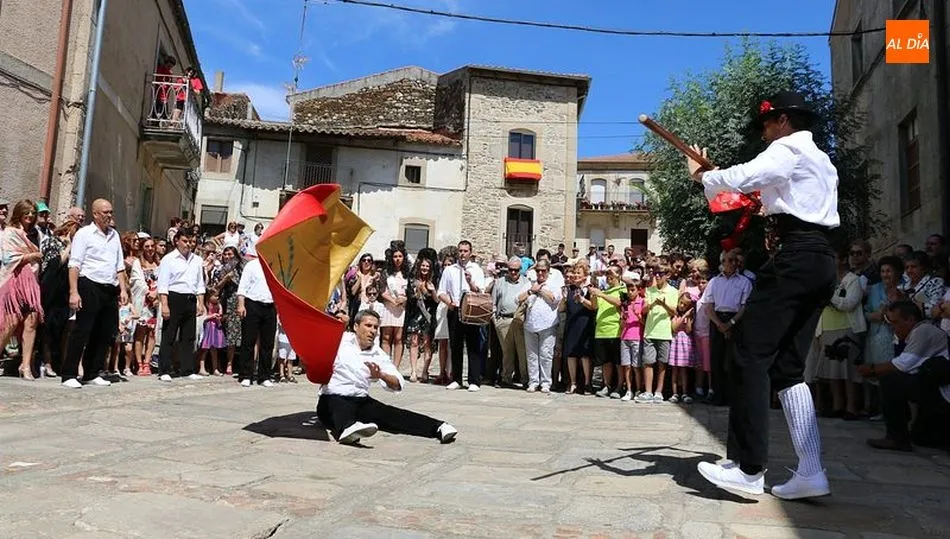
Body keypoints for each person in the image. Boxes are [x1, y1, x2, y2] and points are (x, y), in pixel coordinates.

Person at [687, 91, 839, 499]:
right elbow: (756, 188)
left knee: (748, 352)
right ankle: (810, 471)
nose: (765, 133)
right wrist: (716, 176)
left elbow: (745, 176)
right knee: (788, 369)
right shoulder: (821, 160)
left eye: (768, 125)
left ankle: (749, 467)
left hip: (796, 258)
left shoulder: (788, 148)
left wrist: (704, 176)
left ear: (784, 121)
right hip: (821, 259)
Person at [316, 309, 459, 445]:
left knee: (392, 415)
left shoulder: (378, 354)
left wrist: (381, 375)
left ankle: (439, 427)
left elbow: (397, 383)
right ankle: (348, 429)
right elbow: (317, 330)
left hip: (360, 400)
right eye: (368, 326)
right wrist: (339, 321)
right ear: (356, 326)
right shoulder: (341, 340)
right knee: (338, 406)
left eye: (375, 327)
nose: (372, 331)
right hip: (331, 397)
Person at [858, 300, 950, 450]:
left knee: (890, 380)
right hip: (938, 392)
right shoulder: (920, 332)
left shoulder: (923, 330)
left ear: (911, 320)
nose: (893, 328)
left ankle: (896, 438)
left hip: (944, 395)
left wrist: (872, 369)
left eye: (895, 322)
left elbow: (902, 365)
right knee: (921, 438)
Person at [62, 199, 129, 389]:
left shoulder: (114, 235)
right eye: (105, 212)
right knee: (82, 330)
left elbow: (120, 265)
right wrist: (74, 292)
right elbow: (74, 264)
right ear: (96, 214)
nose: (109, 215)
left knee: (105, 332)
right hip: (89, 283)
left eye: (111, 212)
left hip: (109, 287)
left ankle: (92, 372)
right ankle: (69, 373)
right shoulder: (84, 234)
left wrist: (123, 289)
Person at [156, 228, 206, 382]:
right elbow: (163, 284)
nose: (187, 244)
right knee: (169, 335)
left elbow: (200, 284)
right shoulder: (168, 259)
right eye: (184, 241)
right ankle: (164, 369)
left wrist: (200, 303)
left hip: (190, 298)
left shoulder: (197, 260)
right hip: (174, 297)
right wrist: (164, 305)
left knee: (189, 336)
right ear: (176, 241)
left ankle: (187, 368)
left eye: (190, 241)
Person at [236, 255, 277, 388]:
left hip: (270, 306)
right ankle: (246, 375)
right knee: (248, 341)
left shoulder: (276, 265)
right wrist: (241, 305)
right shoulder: (252, 265)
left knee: (268, 343)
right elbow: (242, 287)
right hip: (252, 304)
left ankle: (264, 376)